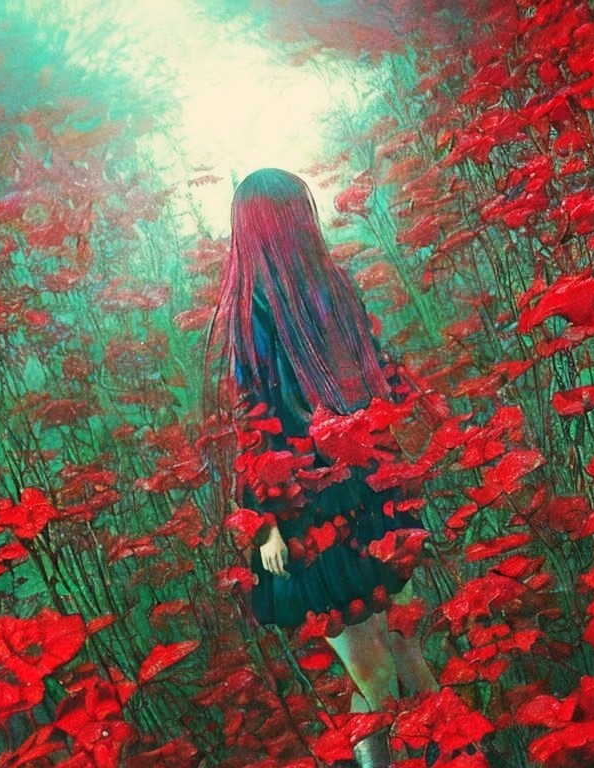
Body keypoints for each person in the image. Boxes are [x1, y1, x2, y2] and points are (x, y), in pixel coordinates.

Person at [209, 168, 437, 768]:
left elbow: (256, 415)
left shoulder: (295, 295)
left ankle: (448, 752)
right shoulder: (291, 297)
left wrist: (266, 517)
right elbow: (258, 417)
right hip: (338, 498)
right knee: (384, 665)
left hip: (333, 499)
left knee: (395, 658)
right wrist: (265, 521)